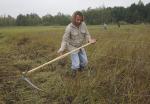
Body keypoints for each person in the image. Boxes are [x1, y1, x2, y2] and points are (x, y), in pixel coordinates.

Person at [57, 11, 96, 78]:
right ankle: (73, 76)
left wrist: (89, 40)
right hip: (72, 47)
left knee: (85, 62)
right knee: (76, 64)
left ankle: (80, 71)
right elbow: (64, 40)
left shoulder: (83, 24)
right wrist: (61, 50)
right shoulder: (69, 27)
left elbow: (87, 34)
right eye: (77, 19)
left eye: (81, 20)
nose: (79, 21)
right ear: (73, 19)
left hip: (80, 46)